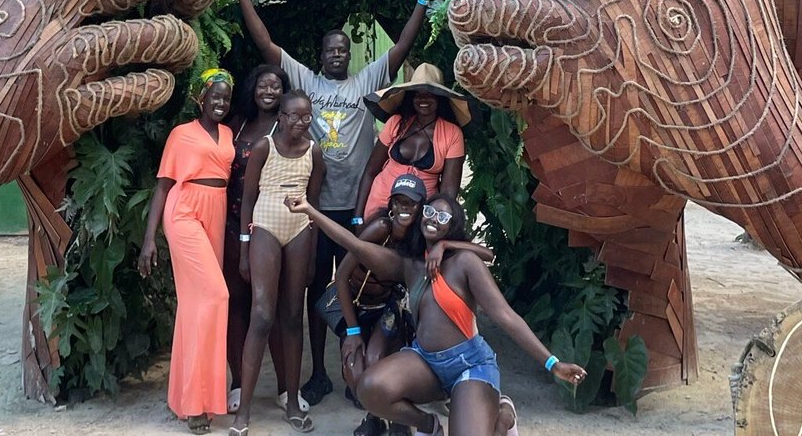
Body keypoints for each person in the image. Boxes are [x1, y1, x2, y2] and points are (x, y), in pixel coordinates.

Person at [225, 0, 446, 405]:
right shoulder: (305, 81)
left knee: (361, 286)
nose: (337, 55)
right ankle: (320, 374)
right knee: (310, 289)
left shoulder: (366, 82)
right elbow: (266, 43)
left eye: (343, 50)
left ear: (351, 56)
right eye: (331, 50)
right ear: (321, 55)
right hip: (313, 209)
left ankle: (355, 373)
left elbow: (402, 47)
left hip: (356, 207)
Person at [285, 192, 587, 436]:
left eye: (444, 217)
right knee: (369, 387)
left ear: (452, 227)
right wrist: (310, 210)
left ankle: (502, 414)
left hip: (470, 365)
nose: (434, 219)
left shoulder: (466, 263)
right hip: (426, 361)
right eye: (429, 212)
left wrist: (553, 363)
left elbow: (505, 316)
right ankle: (429, 427)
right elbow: (353, 243)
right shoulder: (408, 265)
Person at [336, 173, 490, 436]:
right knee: (354, 374)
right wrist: (351, 331)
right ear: (390, 204)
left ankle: (400, 423)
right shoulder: (380, 228)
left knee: (377, 358)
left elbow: (486, 254)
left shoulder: (421, 238)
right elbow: (341, 274)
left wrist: (444, 243)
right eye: (398, 202)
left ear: (421, 208)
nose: (403, 209)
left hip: (391, 307)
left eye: (410, 204)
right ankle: (376, 418)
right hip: (359, 306)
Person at [137, 69, 236, 434]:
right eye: (215, 97)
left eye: (226, 97)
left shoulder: (228, 134)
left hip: (217, 210)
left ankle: (192, 398)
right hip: (185, 210)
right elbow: (163, 187)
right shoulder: (181, 135)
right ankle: (196, 401)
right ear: (200, 98)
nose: (221, 102)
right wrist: (150, 240)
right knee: (215, 294)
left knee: (195, 305)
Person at [233, 89, 325, 436]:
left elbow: (313, 204)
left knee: (292, 315)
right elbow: (247, 202)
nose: (301, 123)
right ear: (281, 117)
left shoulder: (314, 152)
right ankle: (244, 412)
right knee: (261, 314)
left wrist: (314, 252)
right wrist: (244, 247)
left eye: (307, 117)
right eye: (294, 116)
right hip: (266, 225)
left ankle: (291, 402)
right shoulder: (263, 148)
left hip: (299, 227)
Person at [224, 63, 302, 415]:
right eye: (262, 85)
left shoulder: (284, 127)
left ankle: (286, 389)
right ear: (253, 88)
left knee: (272, 308)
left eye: (276, 87)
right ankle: (239, 382)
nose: (268, 92)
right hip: (232, 222)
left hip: (270, 225)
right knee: (237, 303)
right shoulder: (237, 123)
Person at [354, 65, 473, 222]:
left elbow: (448, 191)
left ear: (440, 97)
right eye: (417, 94)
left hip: (421, 210)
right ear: (411, 98)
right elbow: (371, 170)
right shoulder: (396, 123)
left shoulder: (452, 134)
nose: (423, 99)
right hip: (381, 201)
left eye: (430, 94)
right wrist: (357, 217)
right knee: (369, 243)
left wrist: (437, 221)